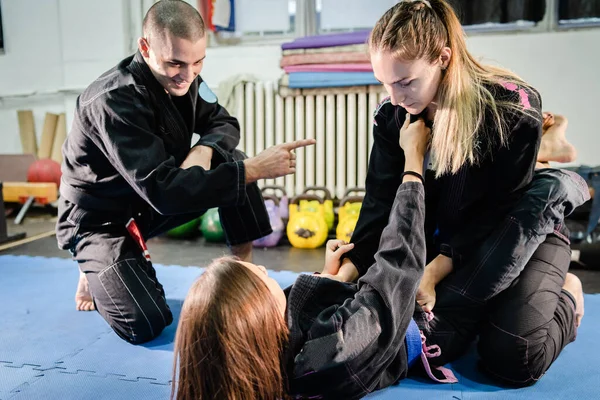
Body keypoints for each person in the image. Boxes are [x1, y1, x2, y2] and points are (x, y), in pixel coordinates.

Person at [338, 0, 588, 387]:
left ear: (443, 57)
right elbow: (379, 204)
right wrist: (349, 267)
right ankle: (550, 146)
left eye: (405, 82)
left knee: (512, 359)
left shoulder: (512, 109)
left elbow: (497, 214)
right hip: (450, 239)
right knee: (412, 334)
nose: (395, 96)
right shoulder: (393, 115)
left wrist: (435, 272)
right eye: (385, 83)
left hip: (517, 233)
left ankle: (568, 294)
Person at [55, 0, 314, 344]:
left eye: (198, 62)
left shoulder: (186, 76)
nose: (187, 74)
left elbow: (224, 122)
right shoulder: (113, 101)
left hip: (145, 204)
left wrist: (202, 149)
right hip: (100, 220)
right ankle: (92, 266)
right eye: (175, 62)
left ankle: (244, 268)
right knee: (145, 322)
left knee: (228, 156)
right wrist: (253, 170)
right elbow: (165, 193)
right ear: (145, 48)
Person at [172, 121, 452, 400]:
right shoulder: (331, 354)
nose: (263, 267)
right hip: (421, 321)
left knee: (369, 236)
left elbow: (295, 310)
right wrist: (413, 167)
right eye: (262, 276)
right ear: (257, 317)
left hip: (369, 308)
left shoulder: (261, 357)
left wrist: (332, 279)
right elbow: (396, 268)